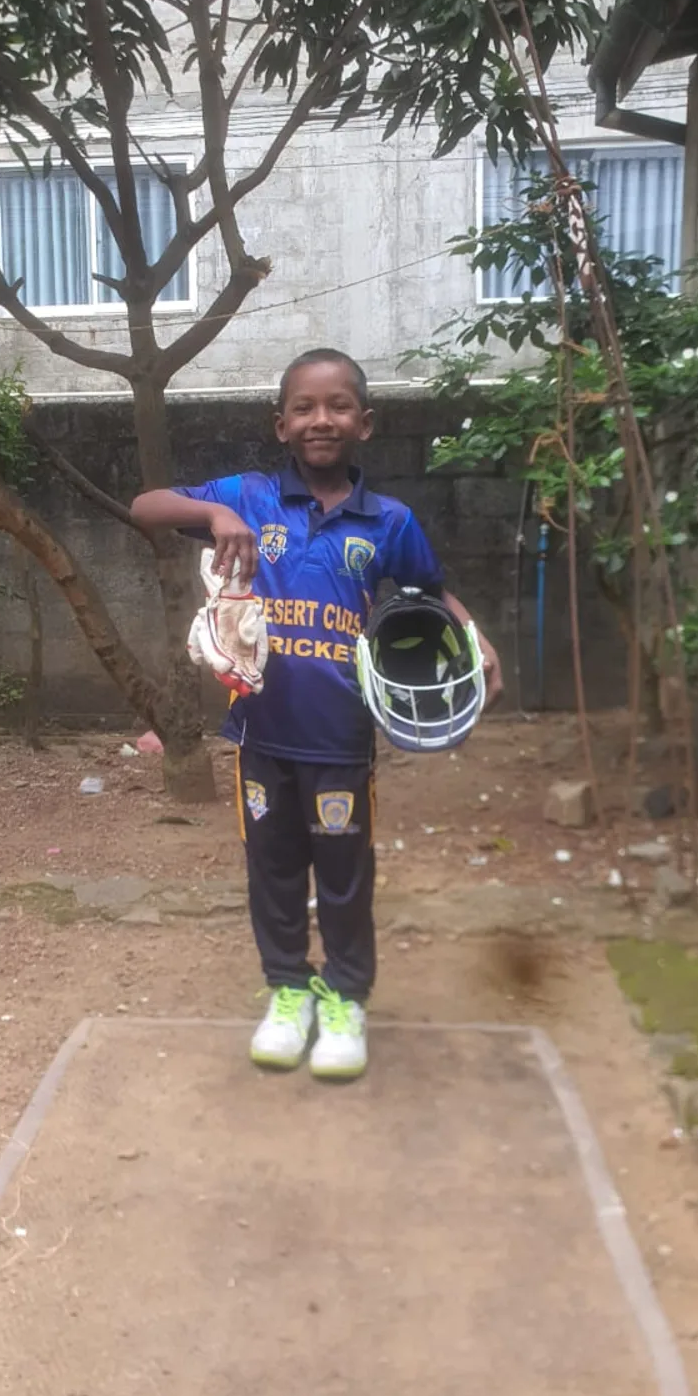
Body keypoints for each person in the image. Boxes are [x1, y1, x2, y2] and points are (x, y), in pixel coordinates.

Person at [131, 348, 502, 1080]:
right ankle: (288, 992)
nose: (320, 419)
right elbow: (146, 507)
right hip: (261, 737)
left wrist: (475, 636)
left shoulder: (390, 521)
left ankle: (345, 1000)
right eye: (304, 407)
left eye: (337, 406)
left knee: (343, 876)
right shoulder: (251, 498)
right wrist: (212, 510)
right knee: (270, 871)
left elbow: (431, 591)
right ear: (280, 424)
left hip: (340, 740)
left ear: (366, 423)